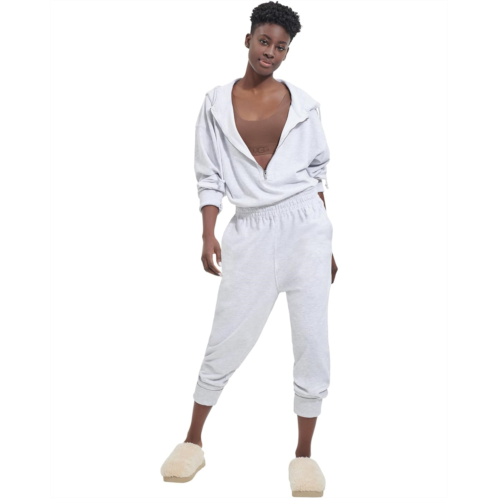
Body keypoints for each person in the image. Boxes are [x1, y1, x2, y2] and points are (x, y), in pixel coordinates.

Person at [160, 2, 338, 496]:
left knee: (312, 343)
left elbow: (317, 173)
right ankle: (193, 441)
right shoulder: (216, 104)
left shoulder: (304, 104)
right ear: (248, 39)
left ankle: (304, 456)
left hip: (307, 228)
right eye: (265, 41)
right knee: (226, 337)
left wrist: (327, 242)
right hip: (250, 231)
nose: (271, 52)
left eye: (281, 47)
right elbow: (209, 176)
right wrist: (208, 232)